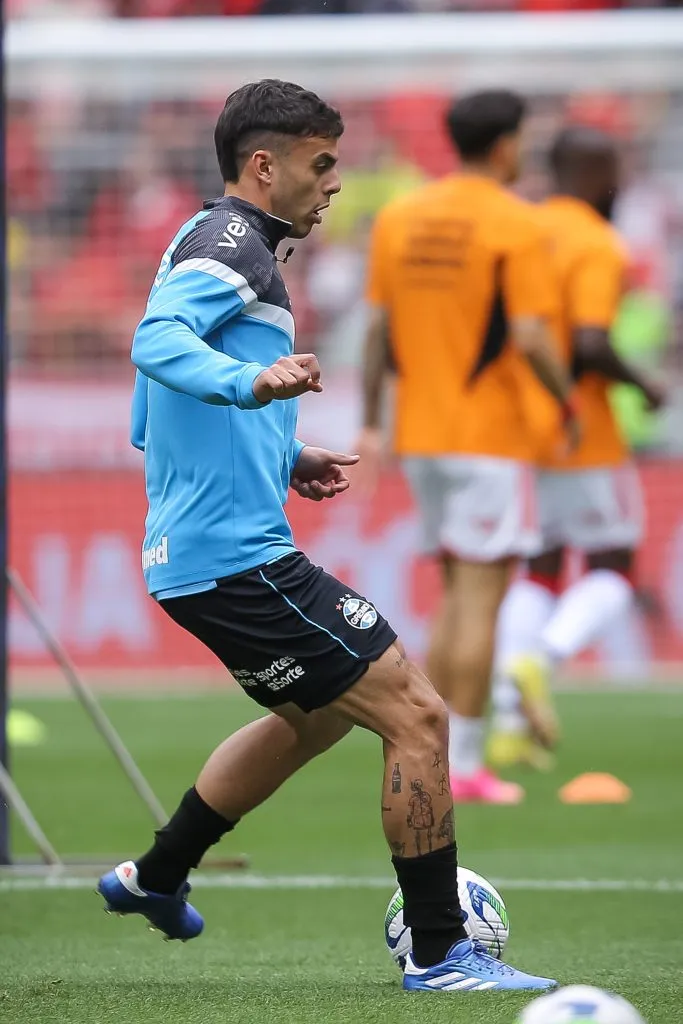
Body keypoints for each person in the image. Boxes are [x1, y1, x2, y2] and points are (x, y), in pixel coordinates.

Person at [96, 79, 555, 994]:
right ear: (264, 166)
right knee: (416, 715)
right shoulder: (232, 242)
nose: (334, 182)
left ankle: (153, 875)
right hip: (233, 557)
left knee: (311, 723)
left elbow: (153, 417)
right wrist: (255, 390)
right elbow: (156, 344)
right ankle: (438, 952)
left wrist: (283, 449)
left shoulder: (222, 243)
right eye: (321, 163)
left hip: (201, 552)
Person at [356, 90, 578, 804]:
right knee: (481, 599)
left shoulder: (400, 215)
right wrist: (567, 399)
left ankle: (434, 750)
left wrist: (370, 417)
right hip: (487, 433)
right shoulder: (516, 221)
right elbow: (533, 335)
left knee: (455, 593)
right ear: (509, 144)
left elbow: (376, 329)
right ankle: (470, 764)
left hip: (418, 431)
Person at [490, 126, 665, 770]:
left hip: (521, 427)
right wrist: (645, 384)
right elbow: (589, 344)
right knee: (613, 565)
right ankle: (543, 659)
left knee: (539, 563)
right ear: (591, 172)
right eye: (613, 170)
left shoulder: (524, 231)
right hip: (581, 424)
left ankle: (509, 722)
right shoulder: (596, 241)